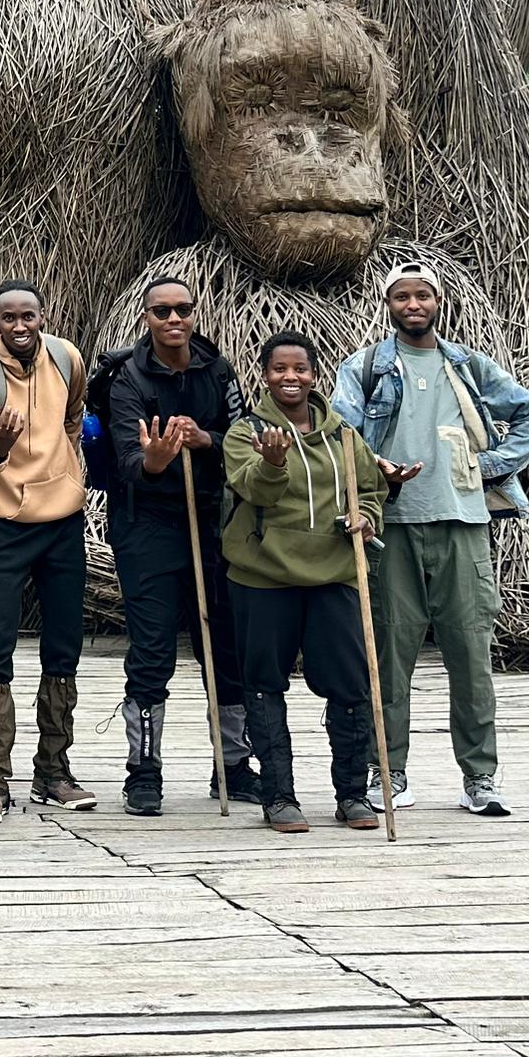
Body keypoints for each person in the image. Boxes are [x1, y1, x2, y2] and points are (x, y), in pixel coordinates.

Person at [332, 261, 529, 818]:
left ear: (438, 302)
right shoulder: (366, 367)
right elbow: (340, 431)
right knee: (389, 655)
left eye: (423, 295)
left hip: (463, 522)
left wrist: (491, 464)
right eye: (402, 296)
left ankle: (480, 777)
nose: (413, 305)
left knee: (471, 655)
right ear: (388, 305)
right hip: (391, 526)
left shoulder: (468, 365)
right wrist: (375, 467)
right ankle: (388, 772)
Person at [223, 332, 389, 834]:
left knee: (351, 685)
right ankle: (279, 797)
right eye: (279, 369)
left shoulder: (345, 437)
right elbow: (252, 489)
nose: (290, 377)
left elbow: (370, 489)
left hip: (334, 572)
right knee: (264, 685)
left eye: (300, 368)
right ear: (265, 375)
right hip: (263, 575)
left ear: (315, 375)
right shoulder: (245, 432)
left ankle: (352, 795)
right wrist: (272, 463)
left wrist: (366, 517)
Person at [105, 276, 250, 816]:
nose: (173, 319)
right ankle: (143, 771)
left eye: (182, 310)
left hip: (213, 521)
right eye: (161, 311)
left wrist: (206, 439)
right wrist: (156, 459)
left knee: (225, 646)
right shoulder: (127, 378)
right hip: (147, 526)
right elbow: (126, 459)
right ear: (146, 317)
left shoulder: (219, 370)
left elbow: (244, 439)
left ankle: (234, 765)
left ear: (194, 314)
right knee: (152, 650)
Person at [0, 281, 96, 823]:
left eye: (28, 316)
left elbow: (72, 417)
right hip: (4, 524)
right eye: (8, 317)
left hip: (62, 521)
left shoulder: (66, 357)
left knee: (64, 646)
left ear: (42, 316)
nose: (19, 326)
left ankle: (53, 772)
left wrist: (62, 468)